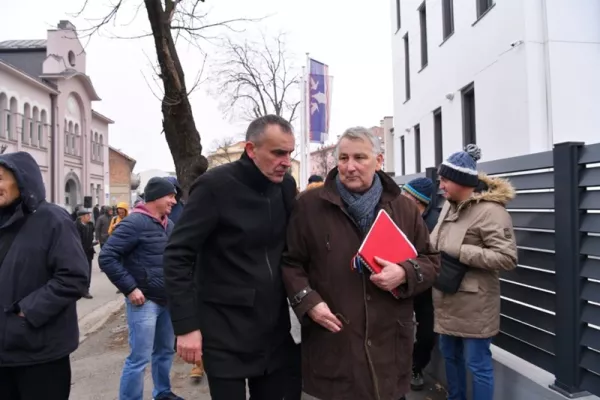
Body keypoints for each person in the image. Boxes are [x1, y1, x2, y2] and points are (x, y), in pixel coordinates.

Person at [281, 127, 440, 400]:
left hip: (389, 350)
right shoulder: (309, 206)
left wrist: (404, 272)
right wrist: (308, 302)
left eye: (359, 158)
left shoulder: (403, 209)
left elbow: (431, 262)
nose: (349, 167)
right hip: (334, 344)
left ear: (379, 162)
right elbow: (291, 262)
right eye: (343, 158)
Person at [163, 114, 298, 400]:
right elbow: (177, 255)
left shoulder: (285, 187)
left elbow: (295, 249)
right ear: (251, 150)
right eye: (278, 153)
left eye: (289, 153)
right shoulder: (214, 187)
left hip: (273, 330)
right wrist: (186, 326)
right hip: (223, 332)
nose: (286, 161)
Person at [0, 151, 89, 400]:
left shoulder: (53, 220)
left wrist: (27, 310)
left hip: (39, 353)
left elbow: (74, 278)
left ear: (22, 180)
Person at [431, 145, 517, 400]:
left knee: (477, 365)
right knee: (449, 355)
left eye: (445, 180)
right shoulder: (449, 205)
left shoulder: (492, 211)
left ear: (460, 181)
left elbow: (507, 258)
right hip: (446, 297)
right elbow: (438, 241)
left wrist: (460, 250)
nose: (441, 185)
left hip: (476, 305)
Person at [99, 177, 183, 400]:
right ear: (156, 197)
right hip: (144, 302)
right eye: (171, 196)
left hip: (166, 300)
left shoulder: (169, 225)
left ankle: (163, 393)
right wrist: (130, 289)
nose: (174, 201)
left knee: (165, 351)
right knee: (139, 358)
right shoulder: (134, 223)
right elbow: (107, 257)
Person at [400, 177, 440, 391]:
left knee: (427, 333)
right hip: (401, 281)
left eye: (406, 195)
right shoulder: (398, 216)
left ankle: (416, 366)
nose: (401, 198)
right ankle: (399, 367)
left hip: (426, 288)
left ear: (417, 201)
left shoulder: (434, 223)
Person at [76, 208, 96, 299]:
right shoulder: (75, 226)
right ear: (82, 217)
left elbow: (91, 237)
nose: (89, 217)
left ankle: (86, 290)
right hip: (78, 252)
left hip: (88, 252)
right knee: (78, 271)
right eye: (88, 215)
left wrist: (93, 243)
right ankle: (78, 290)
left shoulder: (90, 225)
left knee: (88, 271)